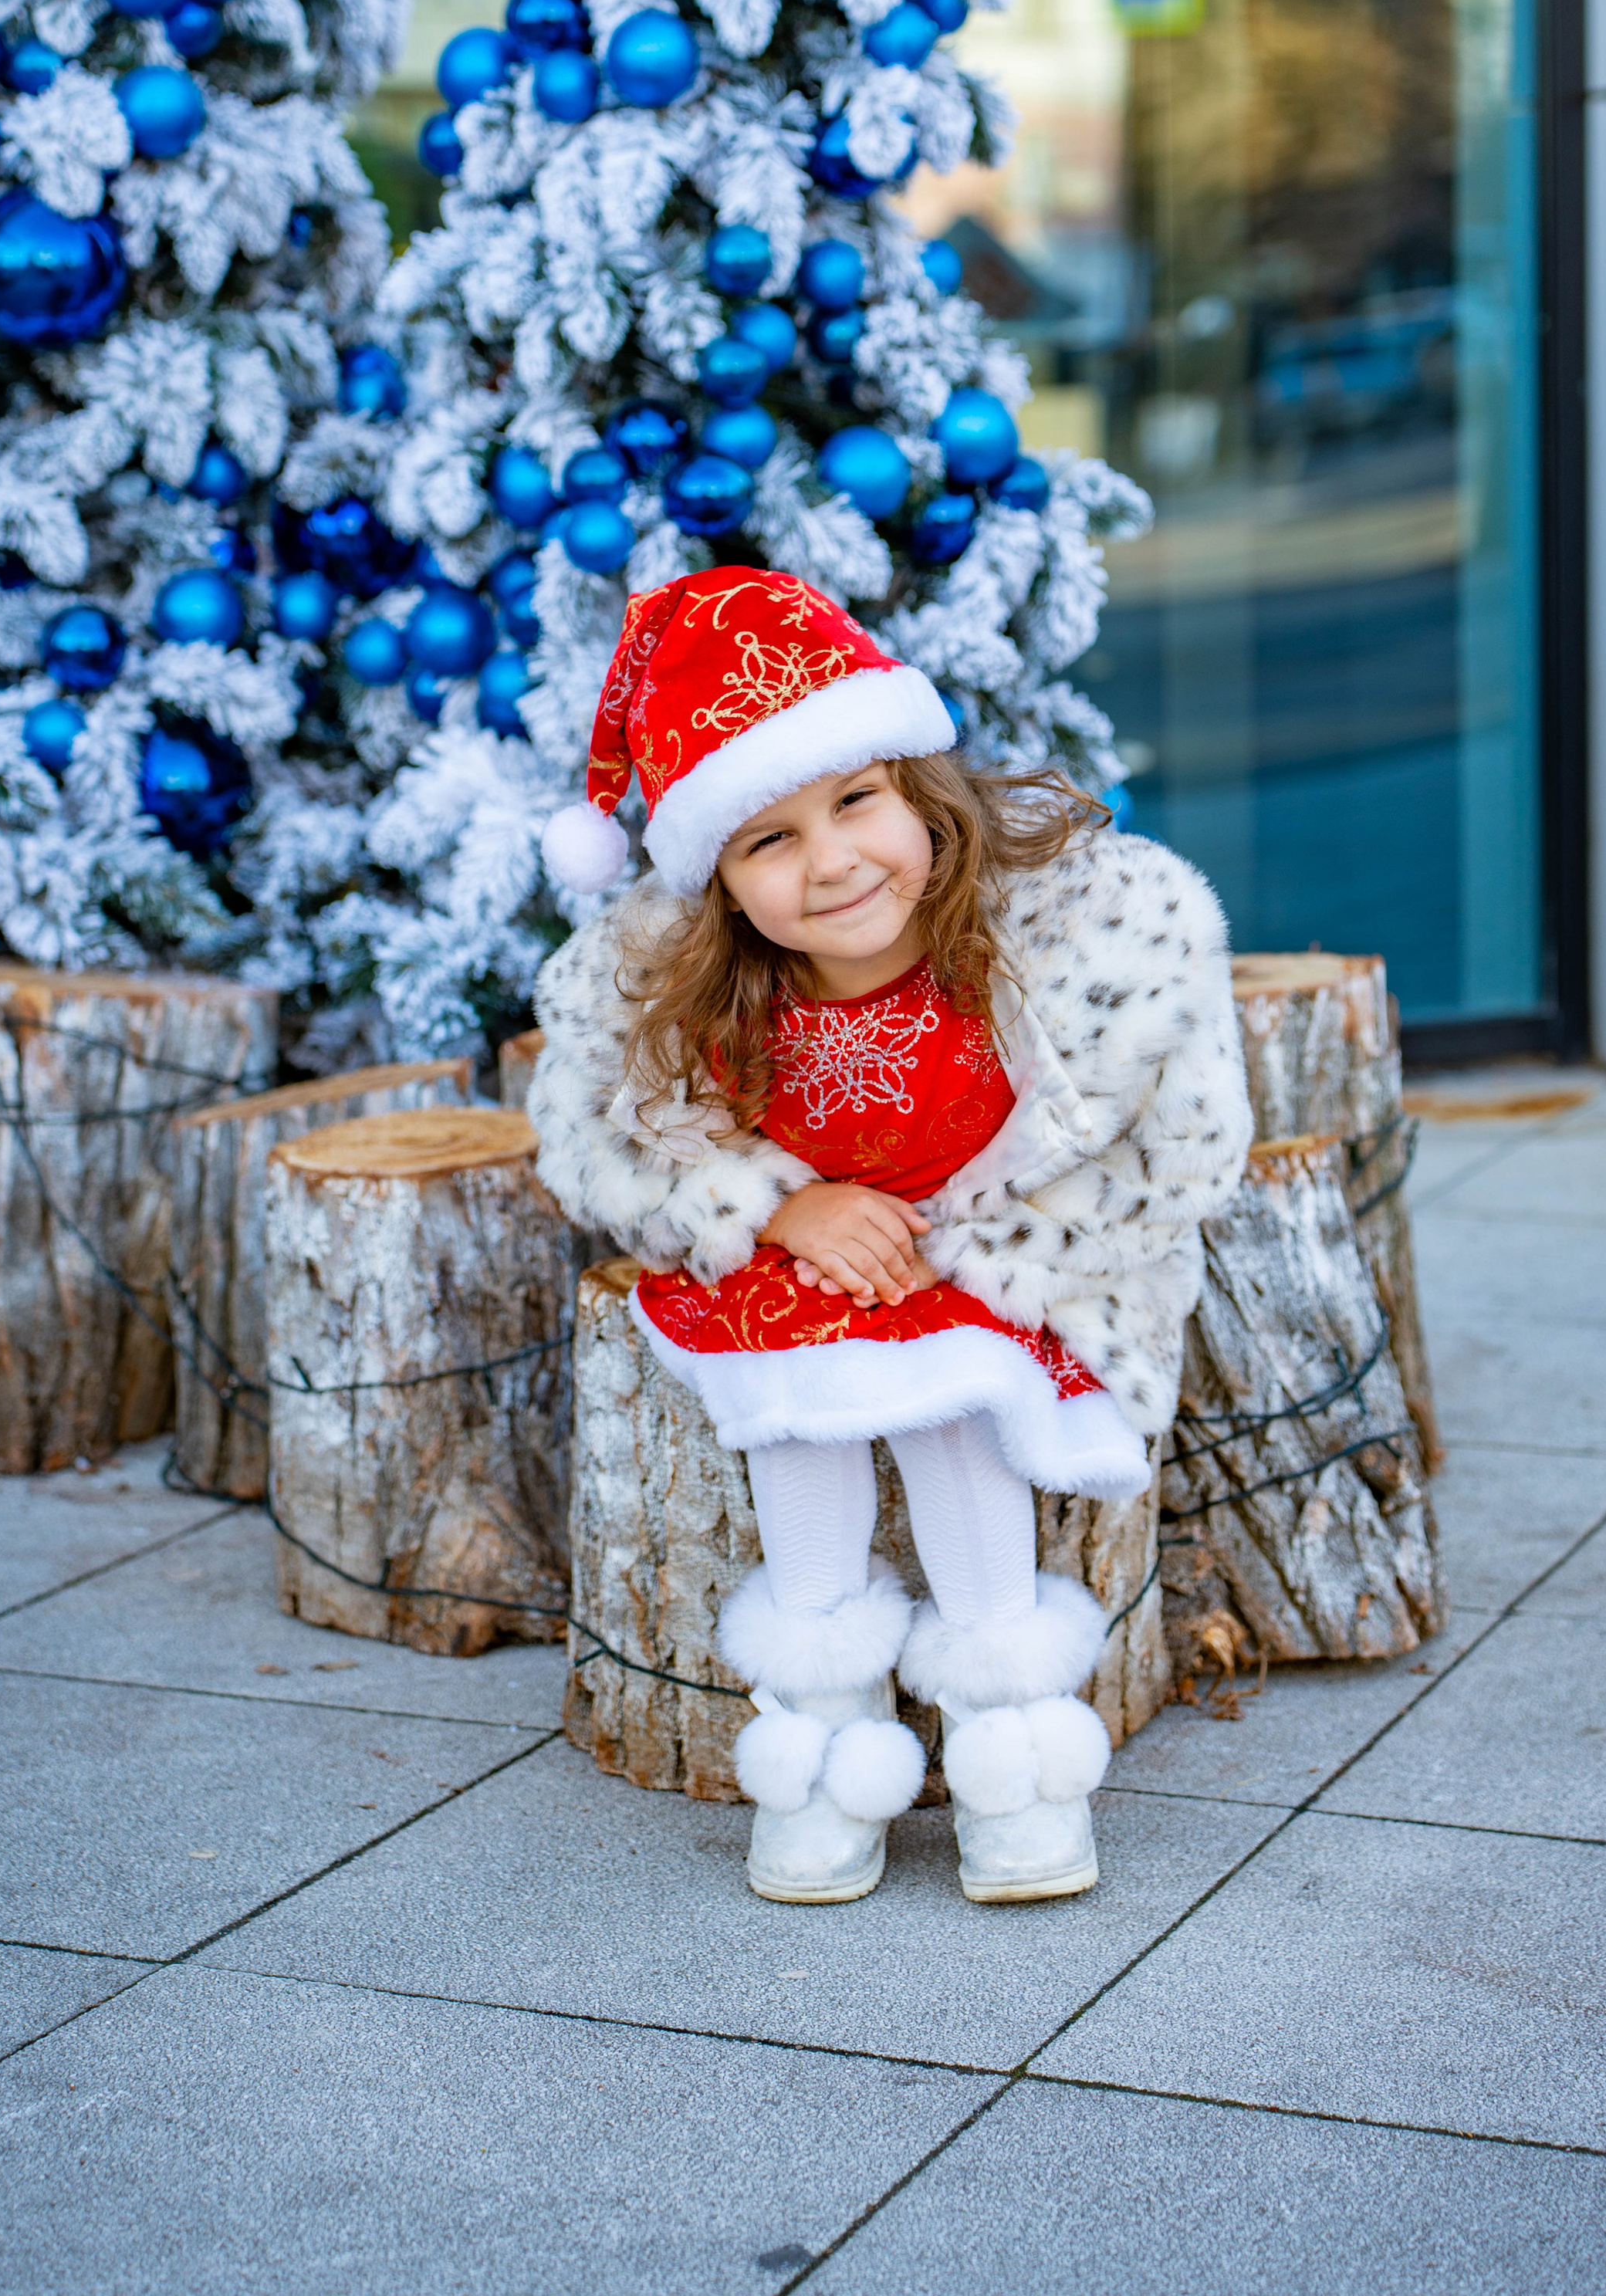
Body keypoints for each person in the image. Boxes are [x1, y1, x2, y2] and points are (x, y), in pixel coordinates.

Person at [529, 567, 1252, 1905]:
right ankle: (817, 1745)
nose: (835, 862)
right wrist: (777, 1204)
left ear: (917, 789)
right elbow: (604, 1141)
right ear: (721, 883)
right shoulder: (692, 1004)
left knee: (953, 1421)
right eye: (770, 840)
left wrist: (1002, 1245)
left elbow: (1178, 1140)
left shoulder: (1043, 941)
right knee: (800, 1432)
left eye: (855, 801)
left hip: (988, 1264)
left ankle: (1014, 1753)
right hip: (808, 1282)